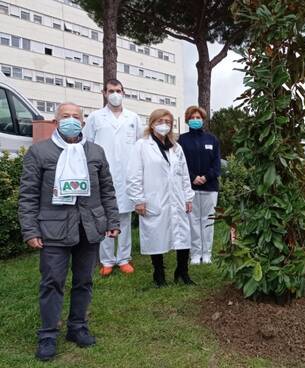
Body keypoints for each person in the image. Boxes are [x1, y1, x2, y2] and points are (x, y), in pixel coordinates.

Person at [19, 102, 120, 361]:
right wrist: (30, 230)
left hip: (89, 227)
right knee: (52, 282)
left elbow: (107, 190)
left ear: (83, 121)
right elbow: (28, 194)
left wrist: (112, 221)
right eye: (65, 116)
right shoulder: (39, 152)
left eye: (76, 116)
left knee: (84, 281)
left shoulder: (95, 152)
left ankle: (77, 327)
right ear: (56, 121)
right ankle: (48, 335)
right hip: (53, 229)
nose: (71, 120)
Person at [127, 109, 195, 287]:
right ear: (152, 123)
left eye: (168, 121)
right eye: (160, 120)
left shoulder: (176, 147)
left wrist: (188, 197)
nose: (164, 124)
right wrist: (138, 199)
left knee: (183, 234)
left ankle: (182, 272)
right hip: (154, 198)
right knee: (155, 234)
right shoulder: (141, 145)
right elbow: (134, 174)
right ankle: (159, 273)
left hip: (178, 197)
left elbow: (184, 174)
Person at [83, 79, 141, 276]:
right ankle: (107, 260)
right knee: (104, 218)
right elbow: (87, 144)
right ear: (104, 93)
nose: (115, 94)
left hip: (127, 175)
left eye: (118, 90)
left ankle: (124, 258)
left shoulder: (133, 118)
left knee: (124, 217)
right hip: (102, 175)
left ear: (124, 92)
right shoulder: (95, 117)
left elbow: (140, 145)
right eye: (111, 91)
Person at [178, 106, 221, 265]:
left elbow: (216, 165)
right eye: (192, 117)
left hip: (210, 187)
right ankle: (195, 254)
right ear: (187, 120)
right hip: (190, 187)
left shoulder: (212, 139)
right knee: (193, 221)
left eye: (198, 117)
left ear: (203, 120)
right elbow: (180, 164)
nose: (195, 120)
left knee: (208, 220)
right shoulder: (182, 140)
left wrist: (205, 177)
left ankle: (207, 253)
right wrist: (193, 178)